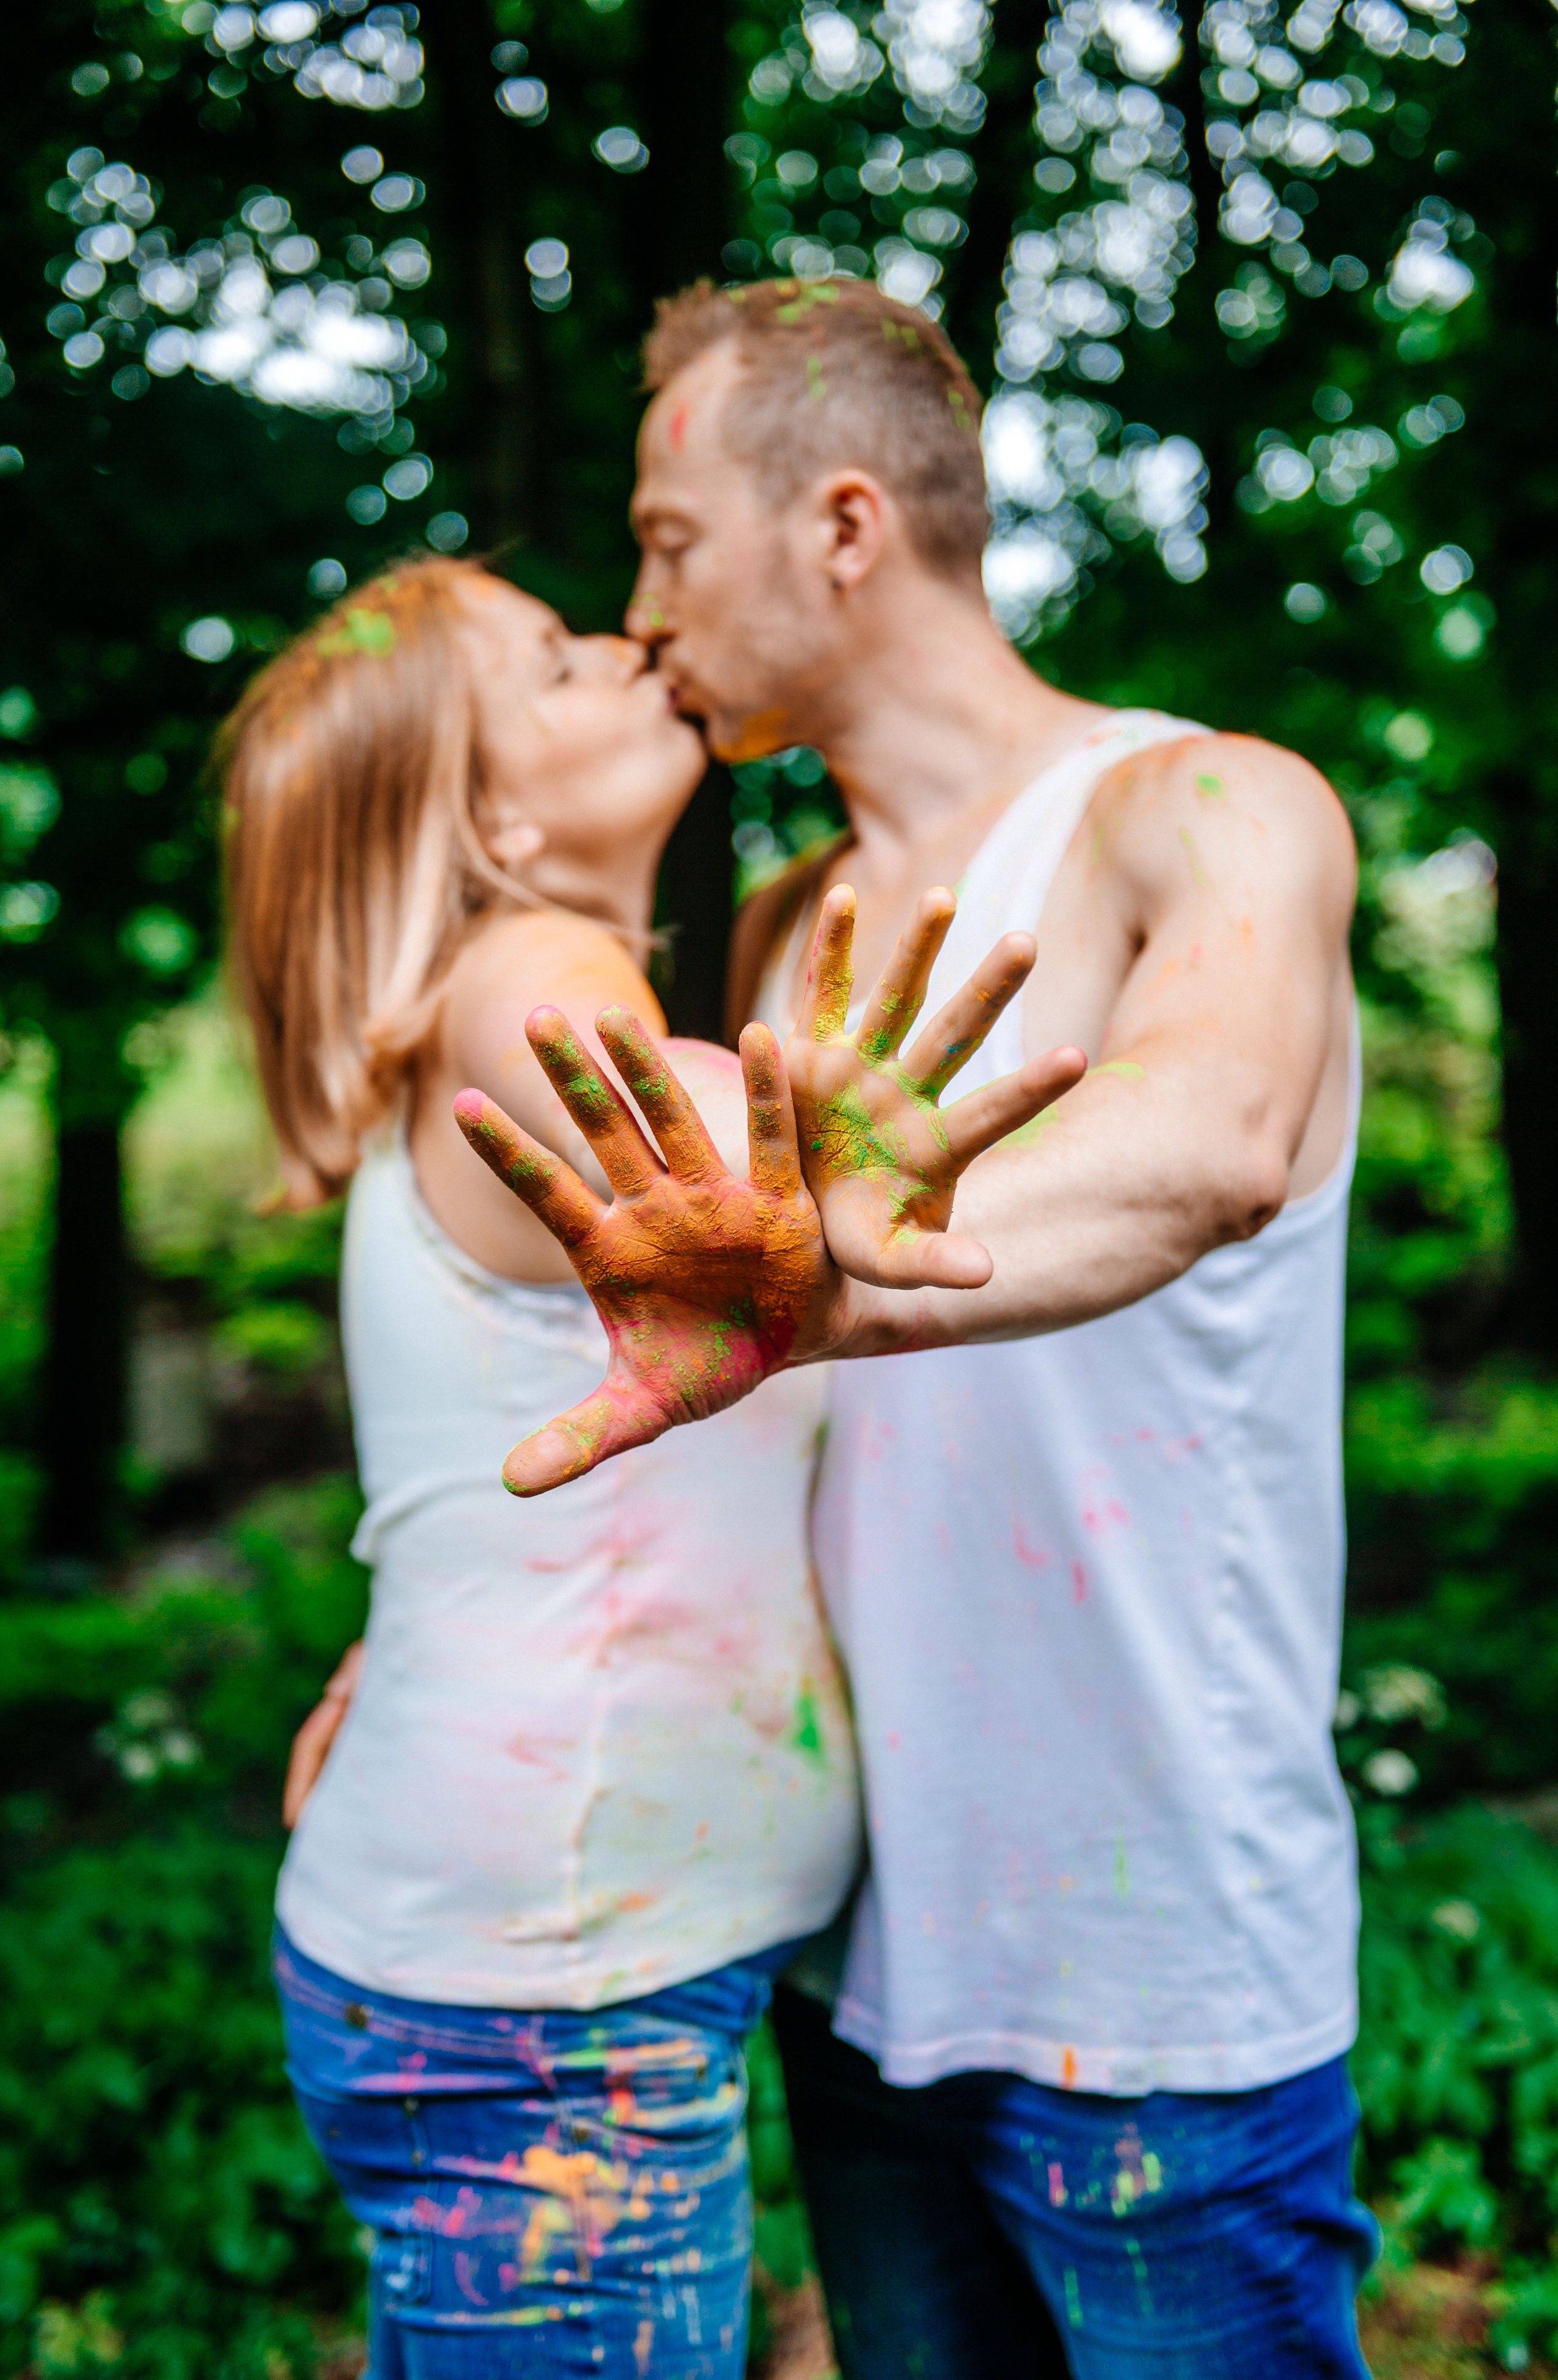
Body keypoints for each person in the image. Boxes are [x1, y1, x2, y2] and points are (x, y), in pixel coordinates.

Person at [475, 277, 1371, 2376]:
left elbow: (1213, 1134)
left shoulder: (1213, 808)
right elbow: (664, 1349)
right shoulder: (777, 929)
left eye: (671, 539)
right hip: (851, 1969)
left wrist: (839, 1277)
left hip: (1158, 1984)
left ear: (847, 528)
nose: (644, 603)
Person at [228, 552, 1071, 2378]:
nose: (620, 644)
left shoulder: (505, 991)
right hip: (548, 2007)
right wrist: (809, 1165)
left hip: (547, 1979)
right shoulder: (534, 978)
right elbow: (590, 1093)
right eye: (550, 664)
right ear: (487, 808)